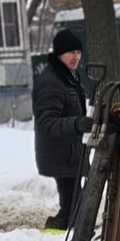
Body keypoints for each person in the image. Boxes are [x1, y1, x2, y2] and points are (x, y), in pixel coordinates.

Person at [32, 29, 96, 230]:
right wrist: (76, 124)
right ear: (60, 54)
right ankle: (57, 230)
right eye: (71, 52)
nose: (76, 57)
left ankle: (66, 227)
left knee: (76, 203)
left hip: (70, 152)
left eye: (78, 52)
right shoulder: (50, 82)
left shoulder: (68, 76)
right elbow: (46, 123)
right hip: (60, 153)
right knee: (72, 205)